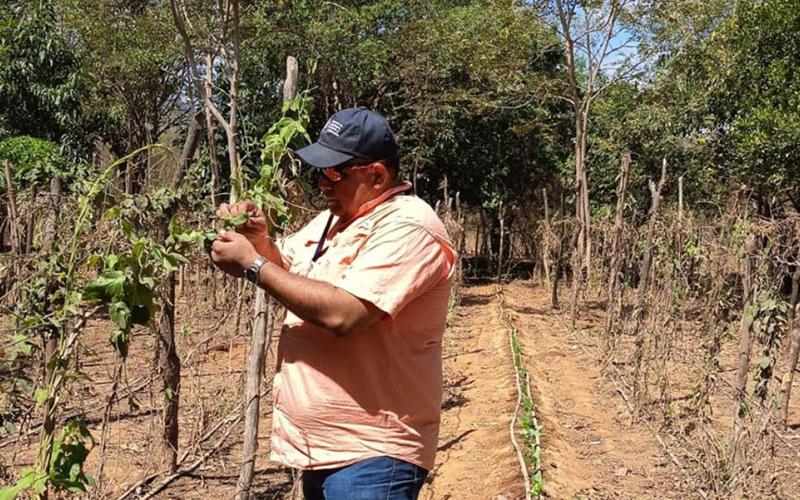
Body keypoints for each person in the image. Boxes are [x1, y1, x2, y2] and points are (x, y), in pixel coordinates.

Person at [209, 107, 456, 500]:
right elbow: (287, 277)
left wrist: (253, 264)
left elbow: (345, 314)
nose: (323, 183)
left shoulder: (409, 226)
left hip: (374, 453)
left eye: (335, 172)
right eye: (319, 171)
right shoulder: (331, 222)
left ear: (376, 175)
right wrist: (259, 242)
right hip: (321, 450)